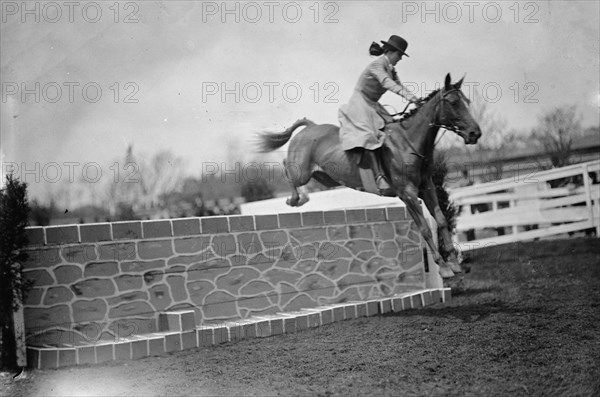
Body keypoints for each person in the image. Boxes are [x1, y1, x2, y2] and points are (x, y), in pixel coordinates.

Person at [338, 35, 419, 195]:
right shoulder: (377, 64)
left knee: (392, 127)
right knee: (369, 135)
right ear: (390, 52)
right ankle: (379, 176)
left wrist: (416, 99)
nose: (400, 59)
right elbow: (387, 83)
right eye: (399, 55)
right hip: (360, 101)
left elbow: (399, 85)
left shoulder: (391, 70)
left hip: (373, 103)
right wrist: (411, 98)